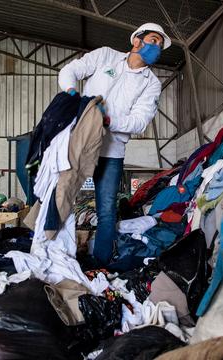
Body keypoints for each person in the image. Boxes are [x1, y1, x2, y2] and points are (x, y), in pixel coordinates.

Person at [58, 23, 171, 266]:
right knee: (61, 199)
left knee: (106, 212)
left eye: (160, 45)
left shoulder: (151, 83)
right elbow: (70, 71)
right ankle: (58, 256)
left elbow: (139, 121)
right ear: (137, 41)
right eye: (153, 40)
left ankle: (99, 266)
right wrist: (71, 95)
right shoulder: (105, 56)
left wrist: (106, 119)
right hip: (80, 143)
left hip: (112, 152)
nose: (157, 47)